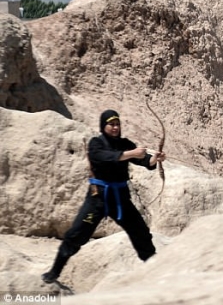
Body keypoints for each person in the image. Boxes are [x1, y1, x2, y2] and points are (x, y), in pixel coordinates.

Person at [41, 109, 166, 284]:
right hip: (98, 199)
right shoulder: (95, 143)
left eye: (117, 124)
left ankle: (154, 272)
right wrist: (132, 153)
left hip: (120, 200)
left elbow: (144, 160)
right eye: (111, 124)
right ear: (103, 125)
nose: (115, 127)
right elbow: (107, 157)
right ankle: (54, 272)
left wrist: (155, 160)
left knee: (141, 233)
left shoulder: (125, 143)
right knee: (76, 234)